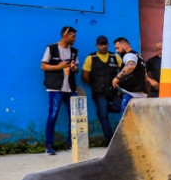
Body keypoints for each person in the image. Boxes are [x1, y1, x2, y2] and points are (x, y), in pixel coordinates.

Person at [40, 26, 78, 155]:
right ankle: (49, 145)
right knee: (53, 116)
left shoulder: (74, 51)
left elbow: (76, 69)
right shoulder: (51, 48)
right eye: (73, 36)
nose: (75, 39)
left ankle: (72, 144)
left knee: (74, 117)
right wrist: (58, 66)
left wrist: (73, 68)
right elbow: (43, 65)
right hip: (55, 88)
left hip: (70, 88)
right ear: (65, 35)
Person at [82, 35, 122, 144]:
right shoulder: (91, 58)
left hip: (113, 92)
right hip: (99, 92)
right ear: (97, 45)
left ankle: (104, 108)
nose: (103, 46)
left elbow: (123, 70)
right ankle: (110, 140)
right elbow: (85, 75)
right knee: (103, 116)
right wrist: (94, 84)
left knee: (122, 108)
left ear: (108, 45)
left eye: (105, 44)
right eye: (101, 44)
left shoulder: (115, 57)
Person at [112, 37, 148, 114]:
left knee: (126, 121)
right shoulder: (139, 57)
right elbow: (145, 76)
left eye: (118, 48)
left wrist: (117, 78)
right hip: (141, 95)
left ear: (125, 46)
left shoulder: (129, 55)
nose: (117, 51)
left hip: (131, 95)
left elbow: (130, 66)